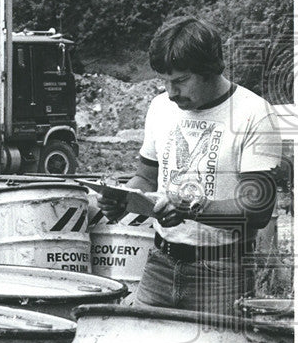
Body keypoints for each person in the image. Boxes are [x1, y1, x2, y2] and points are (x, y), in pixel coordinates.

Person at [100, 16, 281, 315]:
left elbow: (258, 208)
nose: (171, 92)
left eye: (181, 81)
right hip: (159, 264)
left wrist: (190, 208)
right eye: (165, 81)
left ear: (209, 70)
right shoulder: (160, 107)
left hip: (223, 273)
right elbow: (146, 176)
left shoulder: (254, 114)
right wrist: (122, 198)